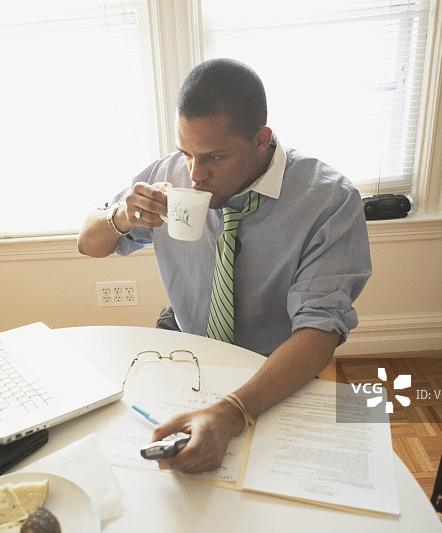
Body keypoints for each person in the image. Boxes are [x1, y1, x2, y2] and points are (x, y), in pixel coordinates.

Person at [78, 58, 372, 474]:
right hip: (184, 343)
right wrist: (121, 217)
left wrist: (231, 411)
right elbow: (87, 244)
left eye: (214, 156)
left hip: (275, 361)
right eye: (187, 152)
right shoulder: (170, 174)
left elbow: (320, 332)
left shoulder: (329, 201)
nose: (195, 175)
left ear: (260, 140)